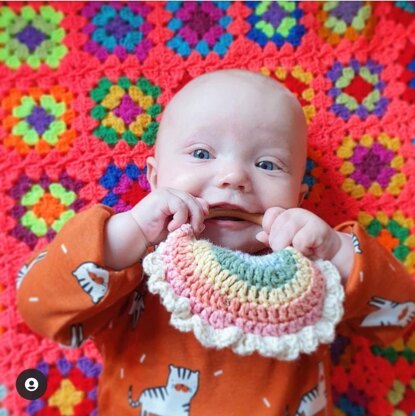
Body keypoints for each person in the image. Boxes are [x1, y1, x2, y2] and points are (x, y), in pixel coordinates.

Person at [17, 70, 415, 415]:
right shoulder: (134, 266)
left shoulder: (315, 269)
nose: (233, 177)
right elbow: (39, 305)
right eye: (202, 153)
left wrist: (337, 252)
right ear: (155, 179)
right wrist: (128, 233)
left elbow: (401, 317)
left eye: (267, 164)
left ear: (300, 193)